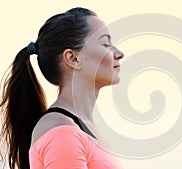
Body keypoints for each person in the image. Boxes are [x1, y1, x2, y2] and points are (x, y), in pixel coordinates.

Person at [0, 7, 124, 169]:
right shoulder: (61, 130)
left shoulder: (78, 128)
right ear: (73, 58)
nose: (119, 53)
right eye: (105, 43)